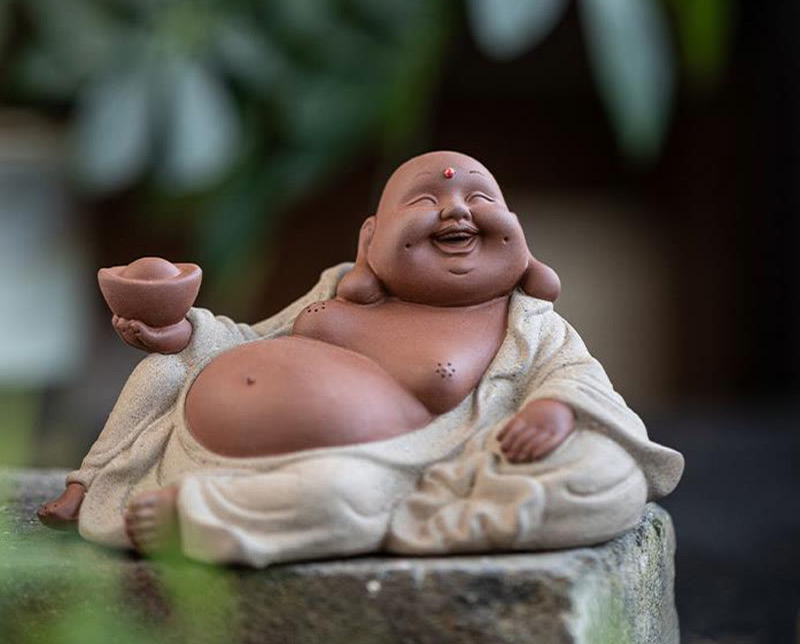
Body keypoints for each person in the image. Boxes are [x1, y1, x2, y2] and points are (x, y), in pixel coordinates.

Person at [38, 151, 683, 566]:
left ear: (519, 238)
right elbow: (245, 337)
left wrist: (555, 410)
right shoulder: (336, 291)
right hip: (205, 443)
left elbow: (579, 379)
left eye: (480, 200)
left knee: (612, 477)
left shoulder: (526, 325)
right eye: (426, 202)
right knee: (161, 372)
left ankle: (209, 516)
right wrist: (179, 335)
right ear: (371, 241)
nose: (456, 209)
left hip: (393, 468)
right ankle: (91, 483)